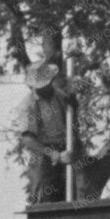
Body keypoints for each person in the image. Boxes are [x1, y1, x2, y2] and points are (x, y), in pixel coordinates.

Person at [12, 61, 81, 205]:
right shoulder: (27, 105)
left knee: (73, 195)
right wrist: (55, 155)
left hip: (65, 150)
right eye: (44, 85)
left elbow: (72, 120)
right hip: (43, 157)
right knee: (44, 197)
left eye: (49, 83)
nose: (48, 87)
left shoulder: (60, 96)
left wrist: (74, 105)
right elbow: (28, 139)